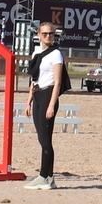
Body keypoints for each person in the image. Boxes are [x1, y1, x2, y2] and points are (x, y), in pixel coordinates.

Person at [24, 21, 68, 190]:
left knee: (45, 139)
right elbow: (34, 79)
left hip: (49, 95)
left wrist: (51, 105)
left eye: (51, 34)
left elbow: (57, 83)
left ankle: (44, 176)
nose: (48, 36)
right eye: (45, 34)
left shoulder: (56, 54)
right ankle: (49, 178)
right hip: (37, 94)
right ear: (38, 35)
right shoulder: (36, 52)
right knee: (42, 138)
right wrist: (28, 101)